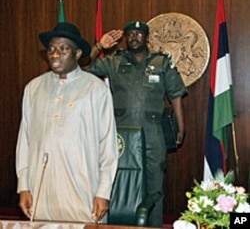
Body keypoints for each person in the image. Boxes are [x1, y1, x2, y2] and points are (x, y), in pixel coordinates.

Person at [15, 22, 118, 224]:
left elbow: (108, 145)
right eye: (51, 49)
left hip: (82, 190)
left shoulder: (95, 89)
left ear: (78, 53)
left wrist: (103, 191)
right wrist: (23, 185)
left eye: (63, 49)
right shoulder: (33, 88)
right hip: (41, 191)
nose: (55, 54)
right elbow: (24, 140)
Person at [87, 21, 187, 227]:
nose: (134, 37)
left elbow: (175, 94)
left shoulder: (161, 62)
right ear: (125, 38)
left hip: (153, 133)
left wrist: (181, 125)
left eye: (139, 34)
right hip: (120, 136)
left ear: (146, 37)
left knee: (154, 186)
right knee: (118, 183)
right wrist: (99, 47)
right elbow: (84, 67)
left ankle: (153, 226)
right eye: (130, 34)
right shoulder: (115, 61)